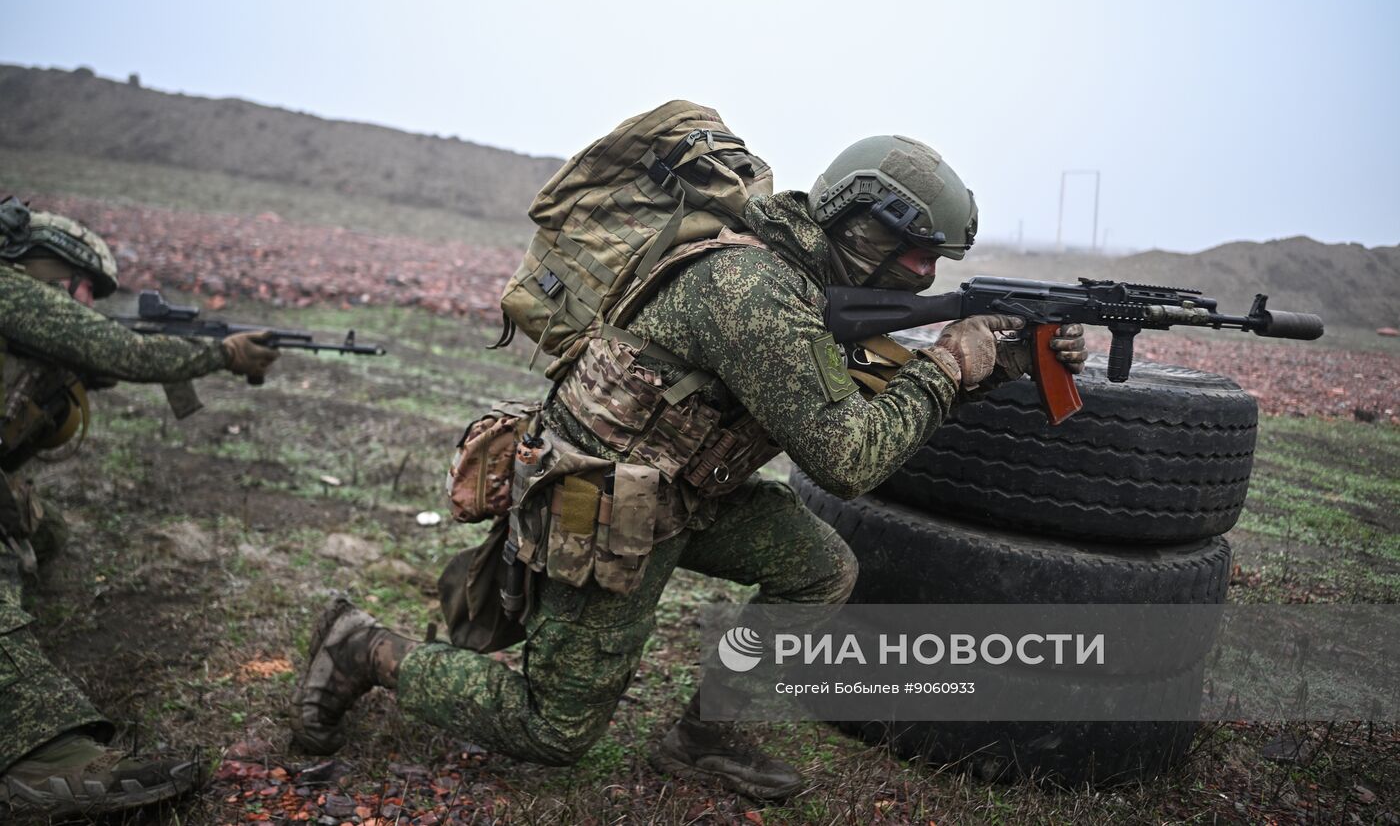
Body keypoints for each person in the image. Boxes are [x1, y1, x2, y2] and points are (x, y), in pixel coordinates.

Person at [291, 136, 1086, 801]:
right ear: (857, 222)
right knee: (552, 728)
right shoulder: (753, 292)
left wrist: (1004, 359)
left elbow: (869, 396)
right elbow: (848, 458)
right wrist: (951, 363)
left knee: (817, 570)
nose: (923, 274)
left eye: (933, 259)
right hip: (596, 501)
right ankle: (362, 646)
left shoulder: (809, 285)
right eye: (913, 253)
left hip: (683, 489)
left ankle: (702, 733)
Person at [0, 197, 279, 818]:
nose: (83, 303)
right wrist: (222, 354)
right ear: (35, 265)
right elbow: (124, 352)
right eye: (77, 288)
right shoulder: (8, 289)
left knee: (39, 533)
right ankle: (34, 756)